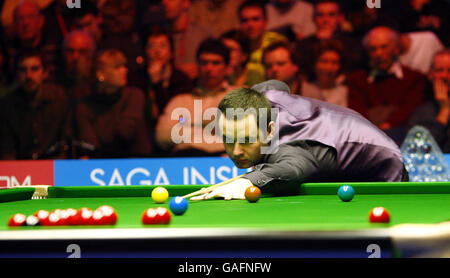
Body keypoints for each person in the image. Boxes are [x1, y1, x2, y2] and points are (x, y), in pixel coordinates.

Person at [190, 80, 407, 201]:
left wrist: (247, 181)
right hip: (338, 138)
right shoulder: (259, 98)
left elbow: (291, 171)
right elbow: (278, 85)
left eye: (246, 140)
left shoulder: (289, 145)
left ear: (269, 131)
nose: (236, 151)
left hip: (382, 162)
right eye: (229, 139)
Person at [347, 26, 426, 145]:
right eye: (373, 49)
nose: (379, 53)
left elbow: (411, 110)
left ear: (396, 49)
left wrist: (388, 125)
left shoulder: (414, 78)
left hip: (403, 139)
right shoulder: (357, 79)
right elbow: (357, 112)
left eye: (384, 47)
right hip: (367, 140)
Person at [155, 39, 233, 156]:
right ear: (197, 65)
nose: (209, 68)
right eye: (204, 63)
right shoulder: (180, 101)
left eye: (215, 63)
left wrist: (187, 125)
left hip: (224, 161)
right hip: (186, 159)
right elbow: (162, 136)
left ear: (227, 68)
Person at [75, 49, 152, 158]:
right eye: (117, 67)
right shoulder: (85, 106)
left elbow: (125, 133)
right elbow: (89, 146)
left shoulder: (134, 95)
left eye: (124, 66)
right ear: (100, 74)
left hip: (137, 163)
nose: (124, 70)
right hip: (102, 166)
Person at [0, 50, 70, 159]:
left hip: (55, 166)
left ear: (45, 73)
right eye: (23, 70)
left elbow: (65, 143)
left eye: (34, 69)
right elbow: (6, 150)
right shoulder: (7, 104)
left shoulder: (60, 99)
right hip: (21, 168)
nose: (29, 76)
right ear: (16, 74)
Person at [144, 28, 193, 140]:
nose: (157, 51)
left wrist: (157, 85)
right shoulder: (137, 78)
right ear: (145, 51)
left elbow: (174, 114)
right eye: (152, 46)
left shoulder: (181, 79)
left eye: (162, 46)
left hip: (172, 135)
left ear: (171, 52)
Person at [293, 0, 364, 74]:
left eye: (331, 15)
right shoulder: (304, 45)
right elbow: (301, 69)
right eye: (320, 15)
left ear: (341, 18)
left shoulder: (352, 44)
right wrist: (319, 42)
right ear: (313, 18)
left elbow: (354, 66)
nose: (325, 20)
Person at [237, 0, 288, 87]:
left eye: (255, 19)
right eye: (244, 20)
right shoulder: (235, 45)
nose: (250, 25)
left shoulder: (277, 42)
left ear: (265, 21)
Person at [408, 49, 450, 153]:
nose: (445, 76)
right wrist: (444, 111)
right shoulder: (422, 112)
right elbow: (419, 152)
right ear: (431, 75)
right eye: (439, 70)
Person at [161, 0, 214, 79]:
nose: (165, 2)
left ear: (185, 3)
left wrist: (200, 69)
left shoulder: (203, 35)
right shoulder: (159, 37)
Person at [301, 40, 349, 107]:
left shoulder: (345, 92)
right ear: (314, 64)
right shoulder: (304, 89)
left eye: (334, 63)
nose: (329, 68)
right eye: (324, 61)